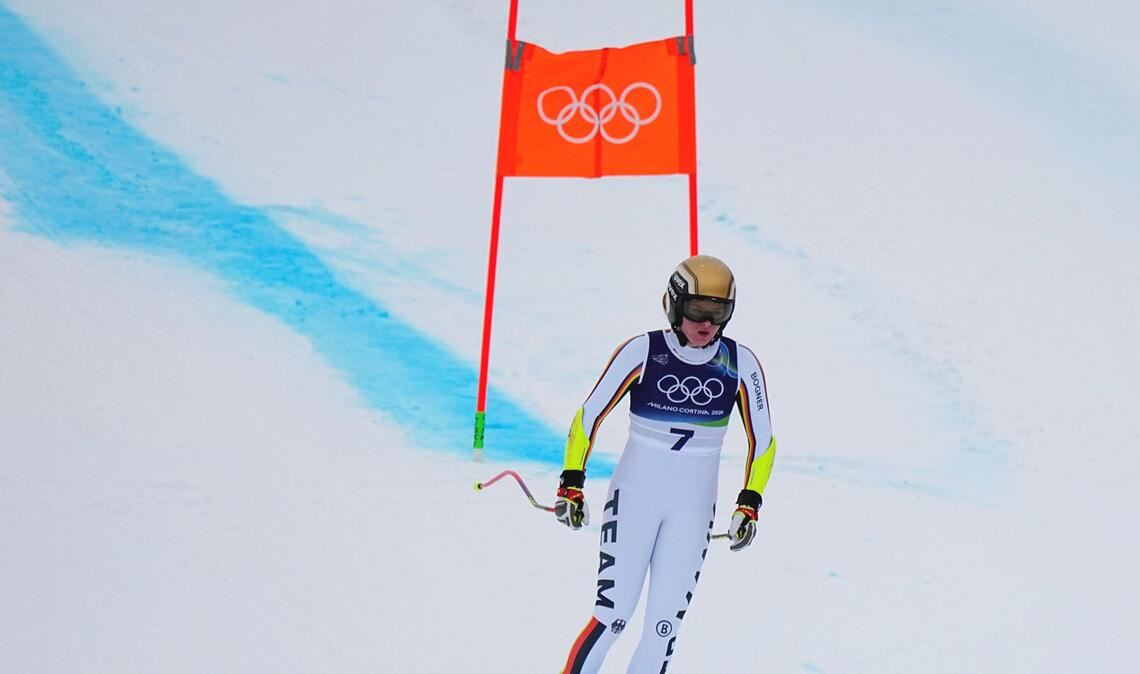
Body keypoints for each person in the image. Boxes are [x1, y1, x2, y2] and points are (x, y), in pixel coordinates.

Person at [554, 254, 775, 674]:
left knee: (662, 628)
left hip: (691, 510)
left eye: (719, 313)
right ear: (675, 304)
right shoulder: (643, 350)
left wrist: (749, 502)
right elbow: (588, 417)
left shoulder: (739, 363)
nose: (707, 324)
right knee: (613, 616)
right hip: (636, 498)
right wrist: (571, 483)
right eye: (697, 311)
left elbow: (763, 442)